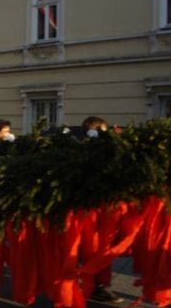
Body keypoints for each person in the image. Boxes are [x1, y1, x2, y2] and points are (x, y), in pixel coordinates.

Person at [80, 116, 123, 304]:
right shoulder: (82, 153)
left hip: (103, 211)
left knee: (100, 250)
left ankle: (98, 286)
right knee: (90, 250)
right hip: (87, 213)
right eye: (102, 131)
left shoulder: (107, 154)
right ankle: (94, 286)